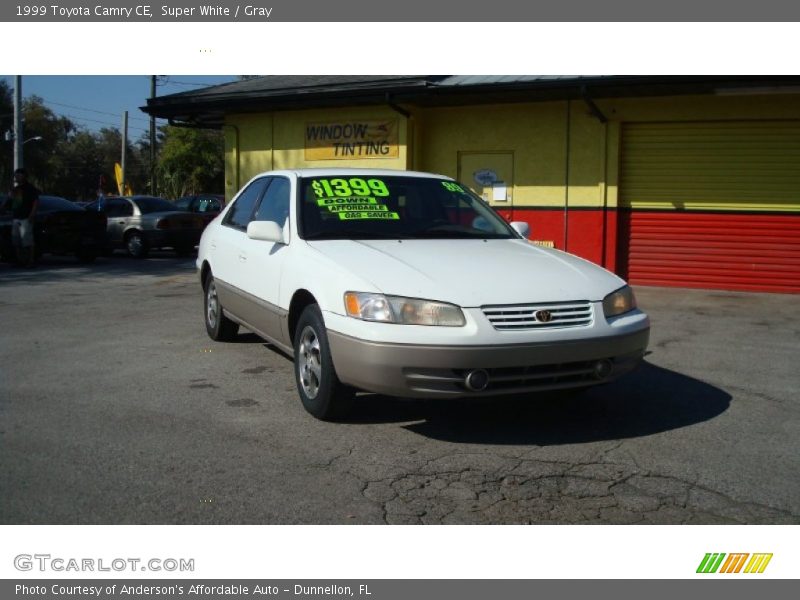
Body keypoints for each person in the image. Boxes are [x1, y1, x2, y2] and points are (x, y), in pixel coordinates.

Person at [9, 168, 39, 267]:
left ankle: (30, 260)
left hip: (26, 217)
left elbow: (35, 202)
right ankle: (20, 260)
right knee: (16, 240)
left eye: (18, 175)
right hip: (16, 217)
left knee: (27, 240)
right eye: (15, 175)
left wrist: (32, 215)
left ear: (24, 176)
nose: (16, 177)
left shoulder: (30, 188)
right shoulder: (15, 189)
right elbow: (11, 202)